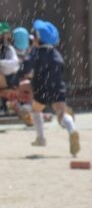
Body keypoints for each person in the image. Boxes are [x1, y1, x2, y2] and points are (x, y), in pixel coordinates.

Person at [23, 20, 79, 156]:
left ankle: (41, 138)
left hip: (41, 87)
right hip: (58, 87)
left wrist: (18, 76)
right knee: (61, 113)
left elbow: (27, 67)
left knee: (36, 110)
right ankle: (72, 130)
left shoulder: (36, 53)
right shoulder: (56, 54)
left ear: (38, 38)